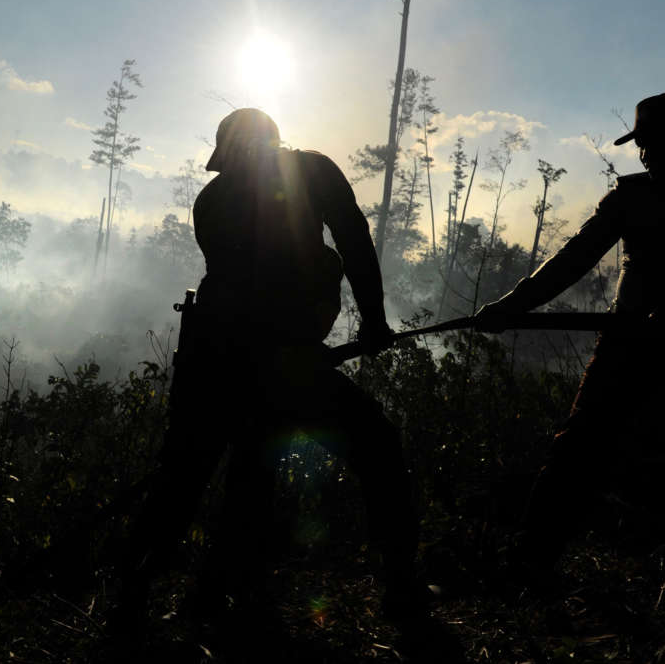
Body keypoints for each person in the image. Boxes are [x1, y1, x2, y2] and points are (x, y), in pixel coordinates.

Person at [114, 108, 430, 636]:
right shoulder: (308, 172)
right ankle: (396, 589)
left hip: (212, 359)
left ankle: (154, 602)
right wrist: (373, 321)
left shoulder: (213, 200)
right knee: (372, 447)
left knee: (189, 476)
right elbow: (350, 242)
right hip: (270, 360)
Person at [473, 93, 665, 571]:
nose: (647, 154)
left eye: (657, 142)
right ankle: (530, 563)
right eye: (643, 144)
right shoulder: (631, 196)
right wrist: (512, 306)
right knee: (579, 448)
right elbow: (574, 258)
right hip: (628, 342)